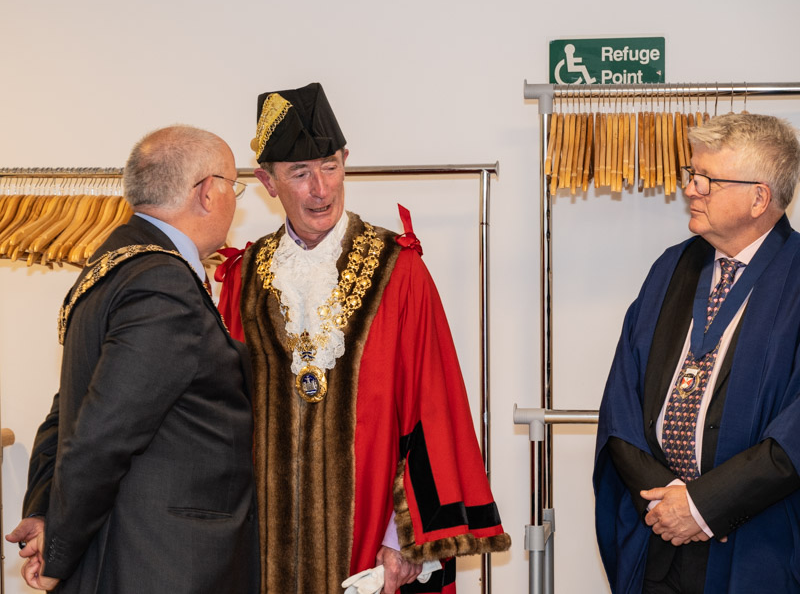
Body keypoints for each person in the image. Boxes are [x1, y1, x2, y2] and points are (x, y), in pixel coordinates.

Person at [216, 82, 510, 594]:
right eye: (300, 173)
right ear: (267, 181)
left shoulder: (400, 269)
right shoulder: (243, 279)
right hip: (264, 547)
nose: (321, 189)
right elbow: (221, 419)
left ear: (346, 161)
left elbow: (433, 403)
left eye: (330, 166)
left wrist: (405, 541)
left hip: (370, 546)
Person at [5, 125, 260, 593]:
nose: (233, 199)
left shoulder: (112, 263)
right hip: (163, 562)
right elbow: (104, 434)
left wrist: (44, 510)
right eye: (233, 186)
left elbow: (69, 410)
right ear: (207, 192)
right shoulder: (162, 283)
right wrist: (59, 550)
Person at [594, 112, 800, 594]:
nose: (691, 189)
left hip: (756, 542)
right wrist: (668, 501)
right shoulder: (672, 268)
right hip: (661, 537)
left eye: (708, 179)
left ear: (759, 198)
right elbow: (622, 405)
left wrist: (704, 505)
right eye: (692, 174)